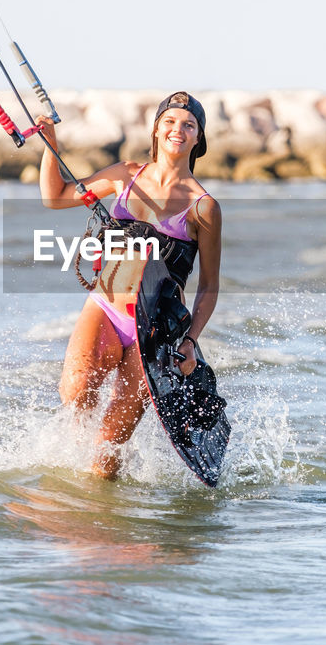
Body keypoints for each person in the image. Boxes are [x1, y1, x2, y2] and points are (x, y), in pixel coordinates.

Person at [35, 92, 223, 480]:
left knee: (107, 453)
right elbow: (54, 198)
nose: (178, 130)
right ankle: (71, 502)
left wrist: (189, 342)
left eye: (188, 125)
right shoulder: (125, 176)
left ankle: (109, 517)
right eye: (170, 121)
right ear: (156, 129)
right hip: (105, 306)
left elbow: (209, 286)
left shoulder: (203, 208)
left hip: (153, 333)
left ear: (198, 139)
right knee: (75, 395)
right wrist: (50, 142)